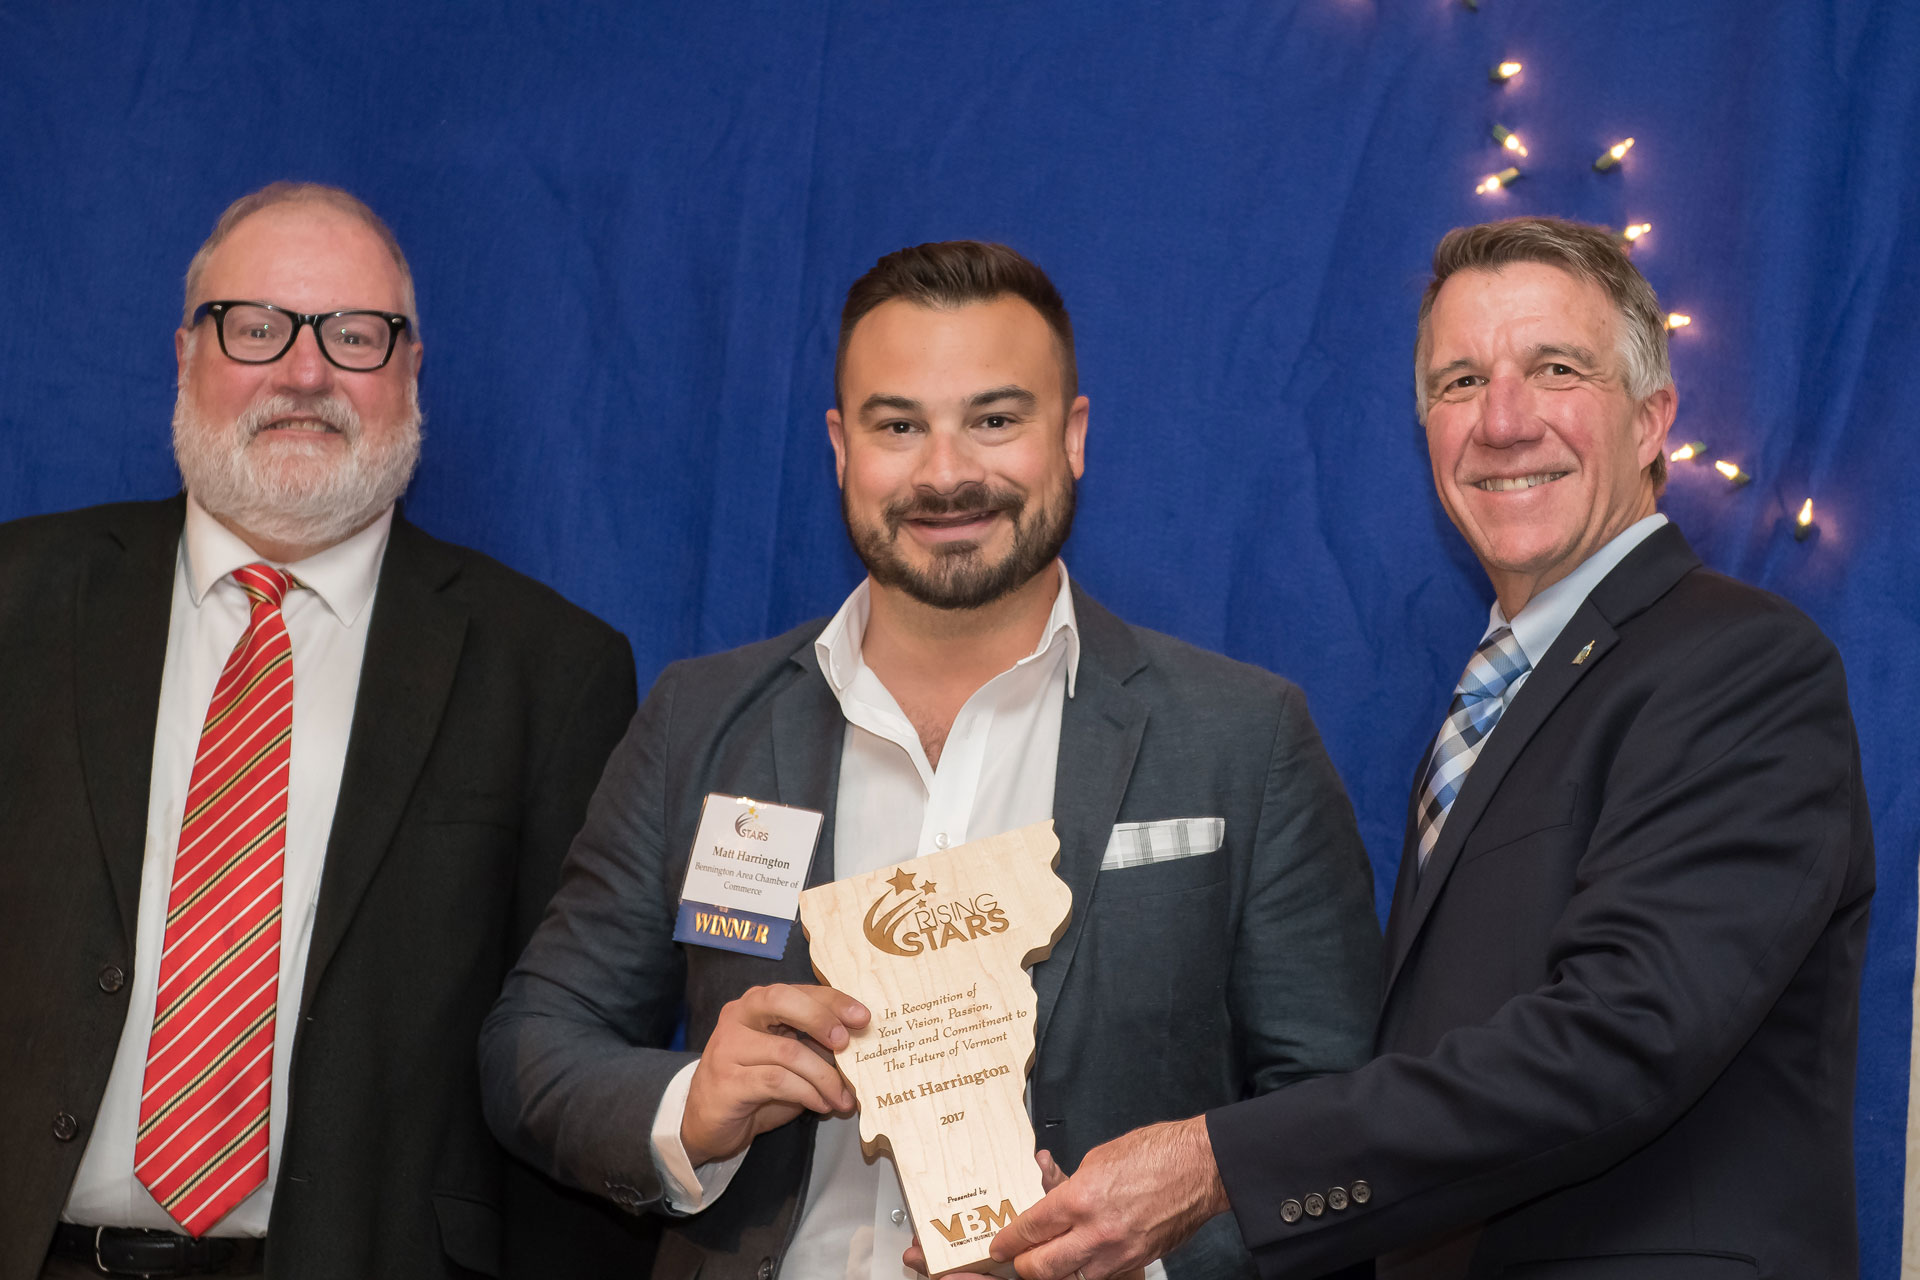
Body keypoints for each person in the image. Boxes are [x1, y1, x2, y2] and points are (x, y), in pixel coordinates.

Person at [988, 216, 1876, 1280]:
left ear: (1651, 420)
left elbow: (1622, 1036)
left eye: (1556, 369)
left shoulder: (1739, 664)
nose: (1502, 421)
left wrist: (1215, 1161)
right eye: (1460, 382)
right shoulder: (1506, 690)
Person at [480, 240, 1382, 1280]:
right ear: (841, 447)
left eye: (994, 420)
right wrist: (691, 1105)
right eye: (899, 425)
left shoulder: (1242, 735)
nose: (946, 474)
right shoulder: (702, 719)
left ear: (1073, 435)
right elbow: (534, 1042)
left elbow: (1344, 1115)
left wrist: (1138, 1255)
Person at [0, 183, 653, 1280]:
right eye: (256, 327)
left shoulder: (552, 669)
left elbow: (569, 1056)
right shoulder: (17, 600)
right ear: (185, 355)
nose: (305, 373)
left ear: (410, 370)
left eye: (354, 335)